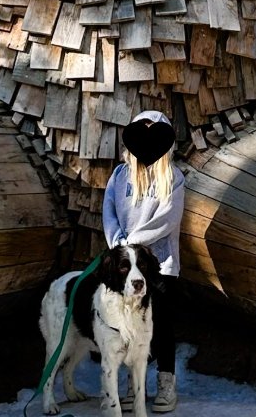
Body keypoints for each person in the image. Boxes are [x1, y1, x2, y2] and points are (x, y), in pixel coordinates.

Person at [102, 110, 186, 413]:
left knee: (160, 325)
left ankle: (166, 383)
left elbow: (167, 217)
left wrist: (134, 241)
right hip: (127, 267)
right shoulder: (120, 175)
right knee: (129, 326)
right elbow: (109, 209)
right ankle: (133, 384)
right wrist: (118, 243)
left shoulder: (173, 178)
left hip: (159, 266)